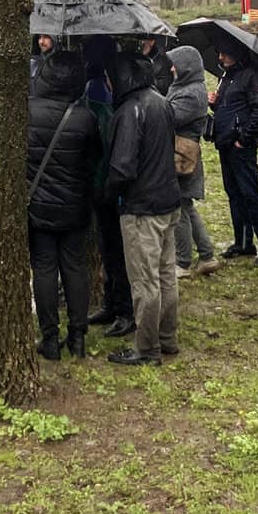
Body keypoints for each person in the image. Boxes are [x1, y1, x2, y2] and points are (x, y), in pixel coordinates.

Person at [104, 49, 183, 367]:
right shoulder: (162, 102)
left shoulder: (130, 111)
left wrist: (109, 193)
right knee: (166, 275)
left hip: (142, 208)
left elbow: (122, 167)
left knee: (145, 280)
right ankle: (167, 338)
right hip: (167, 201)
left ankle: (147, 347)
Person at [25, 51, 101, 360]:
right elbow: (94, 161)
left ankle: (50, 338)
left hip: (38, 205)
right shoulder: (85, 117)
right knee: (75, 267)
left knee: (44, 268)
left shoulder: (27, 111)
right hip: (75, 205)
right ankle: (78, 337)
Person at [82, 36, 134, 338]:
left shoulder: (99, 89)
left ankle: (123, 307)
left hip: (109, 181)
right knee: (109, 246)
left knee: (116, 248)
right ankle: (113, 302)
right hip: (106, 181)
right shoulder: (102, 86)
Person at [211, 46, 258, 264]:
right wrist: (215, 103)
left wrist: (244, 139)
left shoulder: (251, 76)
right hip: (225, 143)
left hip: (240, 146)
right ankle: (243, 242)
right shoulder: (226, 77)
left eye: (225, 52)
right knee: (234, 193)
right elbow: (230, 108)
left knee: (251, 194)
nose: (221, 56)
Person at [167, 46, 222, 278]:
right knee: (186, 206)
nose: (171, 68)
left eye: (175, 64)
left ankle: (183, 260)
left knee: (178, 207)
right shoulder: (184, 87)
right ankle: (207, 255)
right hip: (182, 153)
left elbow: (171, 117)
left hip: (182, 155)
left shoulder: (191, 93)